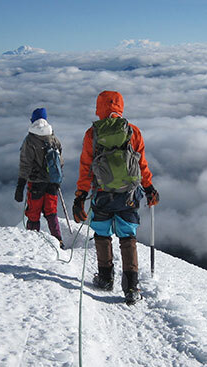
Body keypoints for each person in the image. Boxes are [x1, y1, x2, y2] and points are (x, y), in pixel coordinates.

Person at [72, 91, 160, 305]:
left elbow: (86, 168)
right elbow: (141, 165)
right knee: (127, 236)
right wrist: (149, 188)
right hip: (129, 194)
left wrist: (80, 196)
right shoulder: (132, 131)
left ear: (99, 108)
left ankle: (105, 278)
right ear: (120, 106)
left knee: (102, 233)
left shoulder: (92, 134)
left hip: (102, 192)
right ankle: (131, 286)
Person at [15, 107, 65, 249]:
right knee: (51, 212)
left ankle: (32, 242)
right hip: (52, 182)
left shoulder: (30, 139)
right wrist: (58, 179)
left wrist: (20, 185)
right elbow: (60, 160)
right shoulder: (53, 137)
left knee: (33, 213)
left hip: (36, 183)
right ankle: (59, 240)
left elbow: (25, 164)